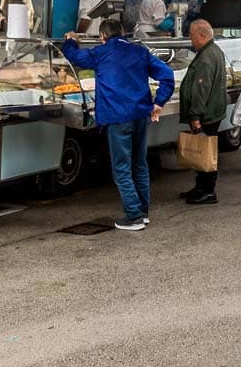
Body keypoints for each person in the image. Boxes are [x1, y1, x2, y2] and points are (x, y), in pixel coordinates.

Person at [61, 20, 174, 231]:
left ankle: (134, 216)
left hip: (117, 116)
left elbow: (75, 57)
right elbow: (167, 75)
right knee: (139, 164)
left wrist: (70, 41)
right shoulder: (140, 51)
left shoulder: (101, 52)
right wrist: (159, 102)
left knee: (121, 168)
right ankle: (143, 212)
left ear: (103, 35)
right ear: (122, 32)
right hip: (140, 115)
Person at [178, 19, 227, 205]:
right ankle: (200, 187)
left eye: (191, 35)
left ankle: (208, 191)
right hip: (212, 110)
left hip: (207, 114)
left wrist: (195, 115)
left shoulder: (206, 57)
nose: (190, 39)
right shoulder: (213, 51)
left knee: (206, 151)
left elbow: (201, 89)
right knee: (204, 150)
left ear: (201, 35)